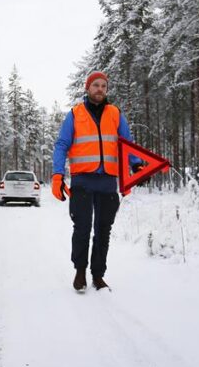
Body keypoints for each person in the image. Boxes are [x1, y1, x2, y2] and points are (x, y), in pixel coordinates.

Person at [51, 71, 142, 292]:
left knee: (103, 230)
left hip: (108, 181)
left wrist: (136, 164)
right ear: (87, 88)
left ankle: (98, 275)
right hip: (82, 180)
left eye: (103, 86)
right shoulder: (75, 114)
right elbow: (62, 144)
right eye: (96, 85)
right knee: (82, 227)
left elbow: (126, 142)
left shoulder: (115, 114)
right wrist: (57, 175)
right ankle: (80, 271)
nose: (100, 89)